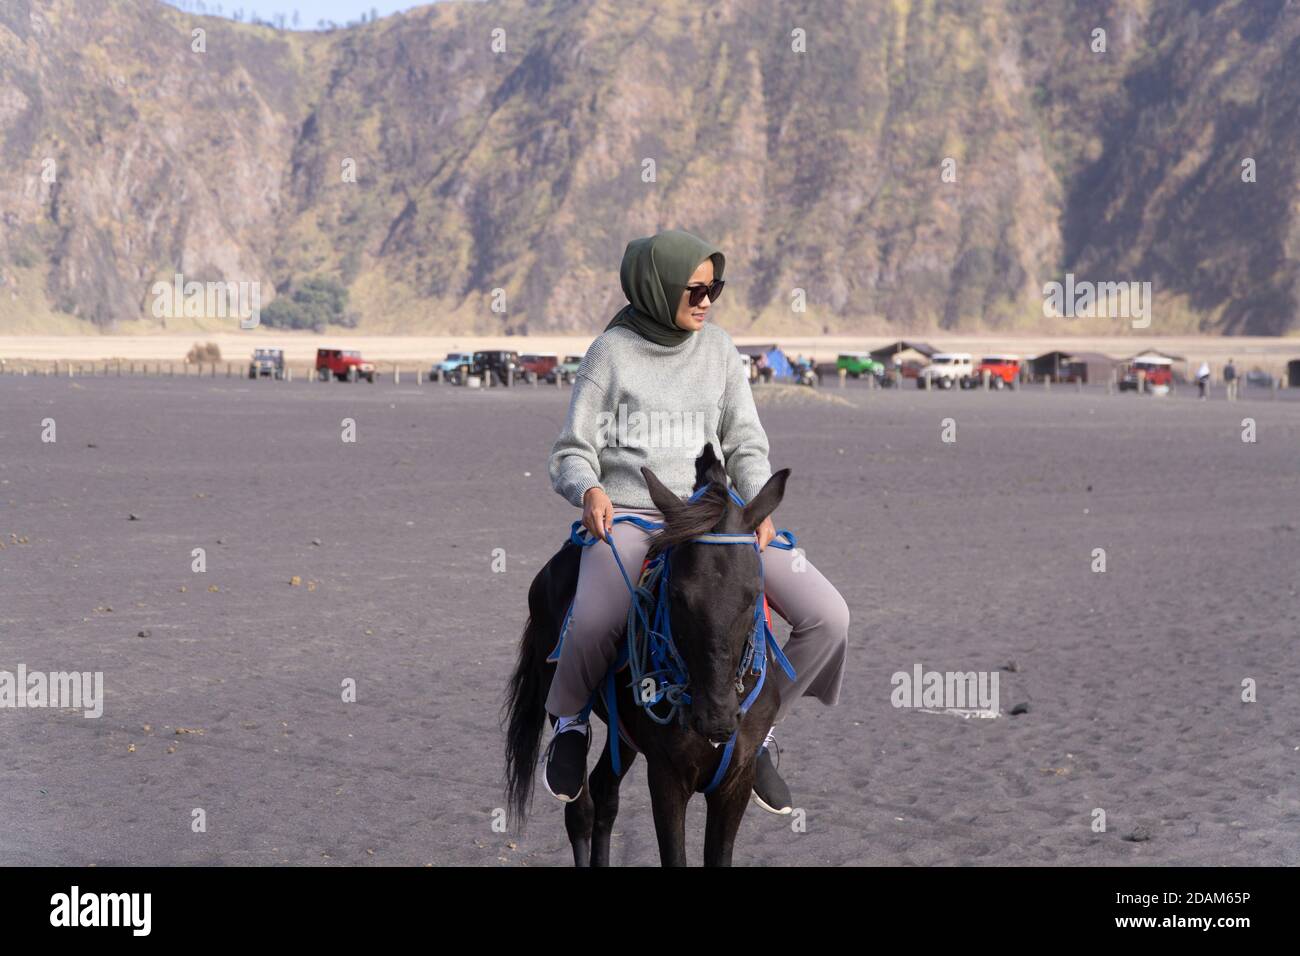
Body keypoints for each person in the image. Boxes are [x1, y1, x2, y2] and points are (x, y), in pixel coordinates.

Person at [544, 229, 851, 814]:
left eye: (716, 287)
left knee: (829, 616)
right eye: (696, 288)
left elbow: (745, 442)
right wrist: (587, 489)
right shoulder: (610, 353)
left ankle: (755, 732)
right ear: (658, 289)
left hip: (718, 518)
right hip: (638, 515)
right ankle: (569, 724)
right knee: (595, 619)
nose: (708, 299)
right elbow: (571, 450)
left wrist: (759, 504)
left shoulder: (720, 351)